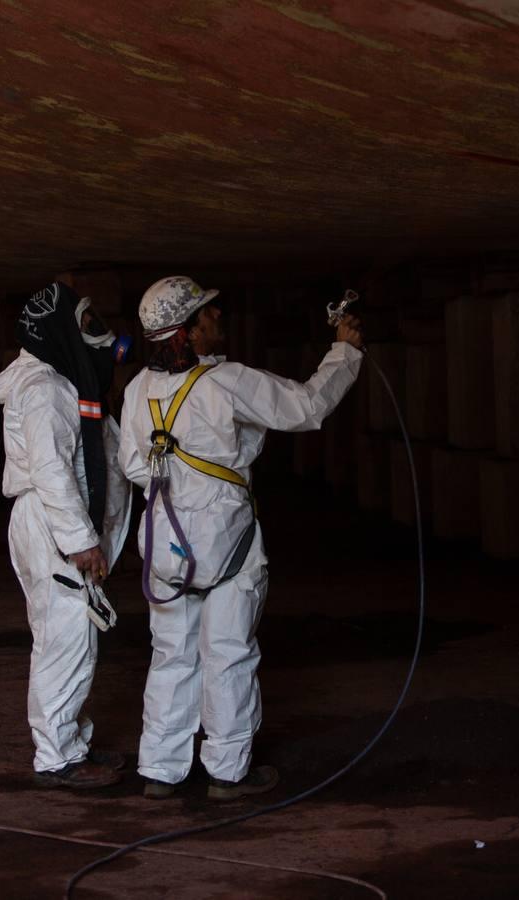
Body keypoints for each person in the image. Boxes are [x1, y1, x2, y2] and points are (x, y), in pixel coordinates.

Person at [118, 276, 364, 800]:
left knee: (172, 655)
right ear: (186, 332)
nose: (218, 320)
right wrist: (344, 351)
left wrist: (182, 485)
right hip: (226, 538)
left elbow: (133, 467)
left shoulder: (136, 390)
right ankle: (228, 773)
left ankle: (161, 772)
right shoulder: (225, 382)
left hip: (166, 542)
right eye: (208, 315)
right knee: (227, 651)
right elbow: (305, 408)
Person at [0, 283, 132, 789]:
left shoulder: (59, 381)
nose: (96, 331)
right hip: (53, 524)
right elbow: (52, 470)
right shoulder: (45, 389)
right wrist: (79, 539)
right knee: (64, 639)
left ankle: (69, 743)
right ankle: (57, 757)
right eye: (86, 321)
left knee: (68, 633)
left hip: (52, 523)